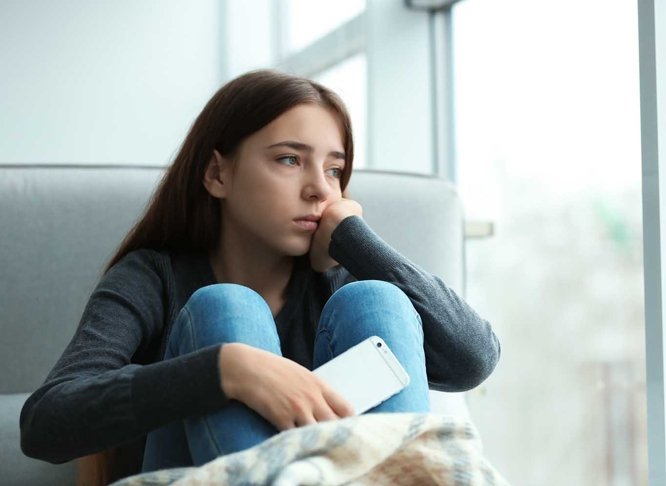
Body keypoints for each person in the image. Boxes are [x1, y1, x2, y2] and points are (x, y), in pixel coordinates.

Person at [19, 69, 501, 483]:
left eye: (334, 170)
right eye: (289, 160)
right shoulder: (153, 276)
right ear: (217, 174)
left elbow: (473, 359)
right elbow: (45, 423)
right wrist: (226, 371)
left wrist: (356, 241)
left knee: (380, 300)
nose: (318, 189)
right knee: (225, 308)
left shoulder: (341, 283)